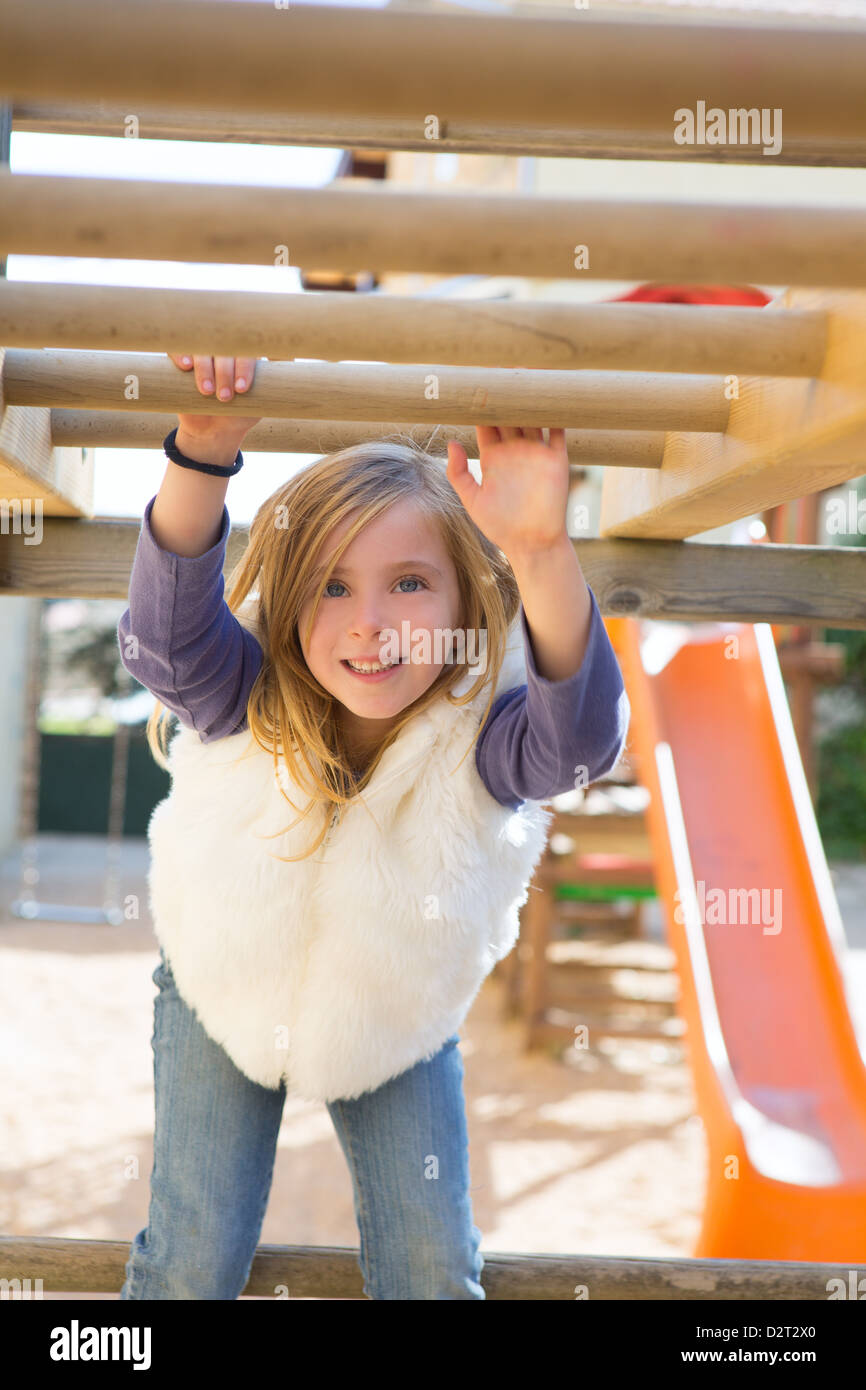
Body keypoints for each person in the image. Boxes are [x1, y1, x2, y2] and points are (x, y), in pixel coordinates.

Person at [116, 351, 631, 1300]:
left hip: (397, 1011)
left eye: (408, 584)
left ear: (465, 599)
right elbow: (164, 640)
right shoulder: (244, 690)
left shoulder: (484, 733)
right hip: (221, 987)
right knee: (190, 1256)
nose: (369, 624)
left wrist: (542, 551)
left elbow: (582, 745)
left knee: (432, 1266)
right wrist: (201, 456)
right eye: (333, 587)